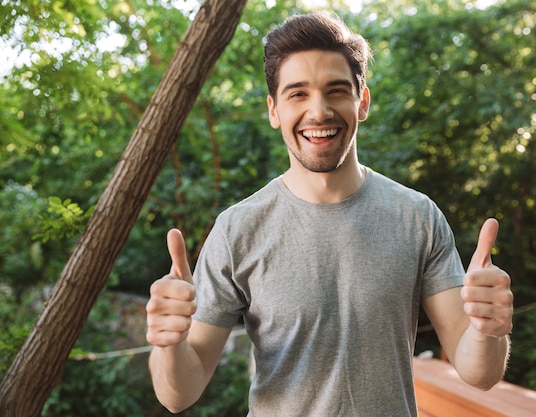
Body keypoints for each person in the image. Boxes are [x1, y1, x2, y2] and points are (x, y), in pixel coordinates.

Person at [146, 11, 513, 416]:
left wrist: (489, 330)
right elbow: (179, 393)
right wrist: (168, 344)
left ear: (362, 103)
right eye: (297, 93)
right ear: (274, 110)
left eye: (336, 90)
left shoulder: (417, 217)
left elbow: (479, 372)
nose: (318, 111)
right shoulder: (238, 229)